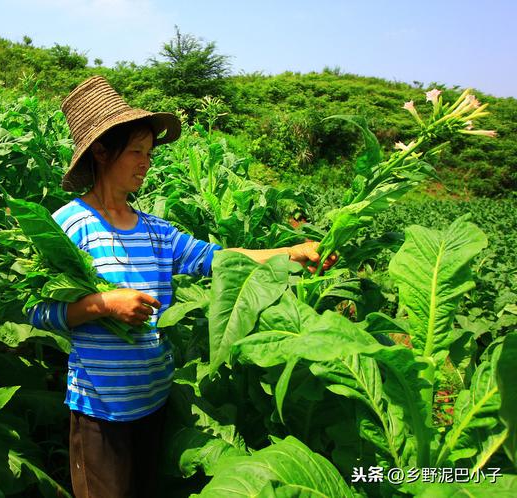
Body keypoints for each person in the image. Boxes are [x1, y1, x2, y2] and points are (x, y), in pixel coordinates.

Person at [29, 76, 335, 498]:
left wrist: (291, 252)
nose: (145, 163)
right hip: (101, 411)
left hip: (155, 402)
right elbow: (36, 311)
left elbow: (218, 258)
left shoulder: (156, 230)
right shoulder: (69, 224)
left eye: (149, 153)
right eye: (135, 151)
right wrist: (103, 305)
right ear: (101, 152)